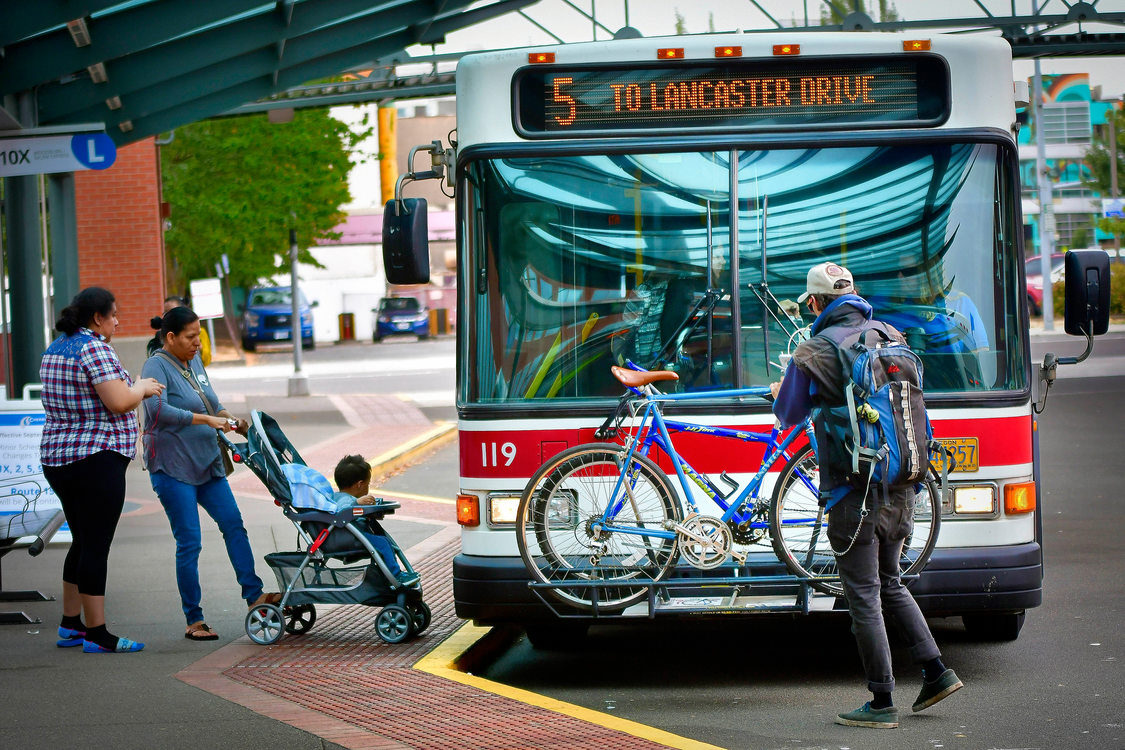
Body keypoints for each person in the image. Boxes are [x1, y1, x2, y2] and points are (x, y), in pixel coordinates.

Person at [770, 262, 963, 729]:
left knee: (864, 595)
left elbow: (788, 414)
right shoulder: (889, 335)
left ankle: (881, 703)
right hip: (903, 485)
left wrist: (784, 389)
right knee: (891, 582)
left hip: (854, 493)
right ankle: (937, 672)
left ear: (815, 303)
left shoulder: (815, 348)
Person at [40, 287, 166, 653]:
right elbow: (117, 401)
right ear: (97, 318)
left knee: (82, 539)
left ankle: (71, 624)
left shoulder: (57, 347)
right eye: (113, 315)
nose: (117, 321)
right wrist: (141, 386)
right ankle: (97, 634)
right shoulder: (93, 347)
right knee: (96, 544)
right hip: (96, 457)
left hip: (58, 457)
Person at [141, 306, 277, 641]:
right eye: (190, 337)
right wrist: (207, 421)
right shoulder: (155, 366)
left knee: (234, 524)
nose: (197, 343)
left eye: (198, 336)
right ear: (170, 337)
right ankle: (194, 618)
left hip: (207, 463)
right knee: (190, 542)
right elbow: (157, 410)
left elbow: (212, 404)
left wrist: (231, 419)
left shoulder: (194, 363)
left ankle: (253, 595)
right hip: (173, 469)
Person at [282, 455, 418, 585]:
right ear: (360, 484)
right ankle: (395, 575)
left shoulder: (336, 497)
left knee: (383, 542)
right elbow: (342, 512)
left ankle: (388, 574)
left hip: (348, 536)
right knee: (383, 543)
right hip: (346, 539)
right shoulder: (344, 500)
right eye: (367, 484)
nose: (368, 487)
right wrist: (357, 503)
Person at [147, 295, 211, 365]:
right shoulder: (161, 337)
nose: (168, 316)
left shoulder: (201, 332)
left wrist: (200, 350)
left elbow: (206, 360)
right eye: (165, 313)